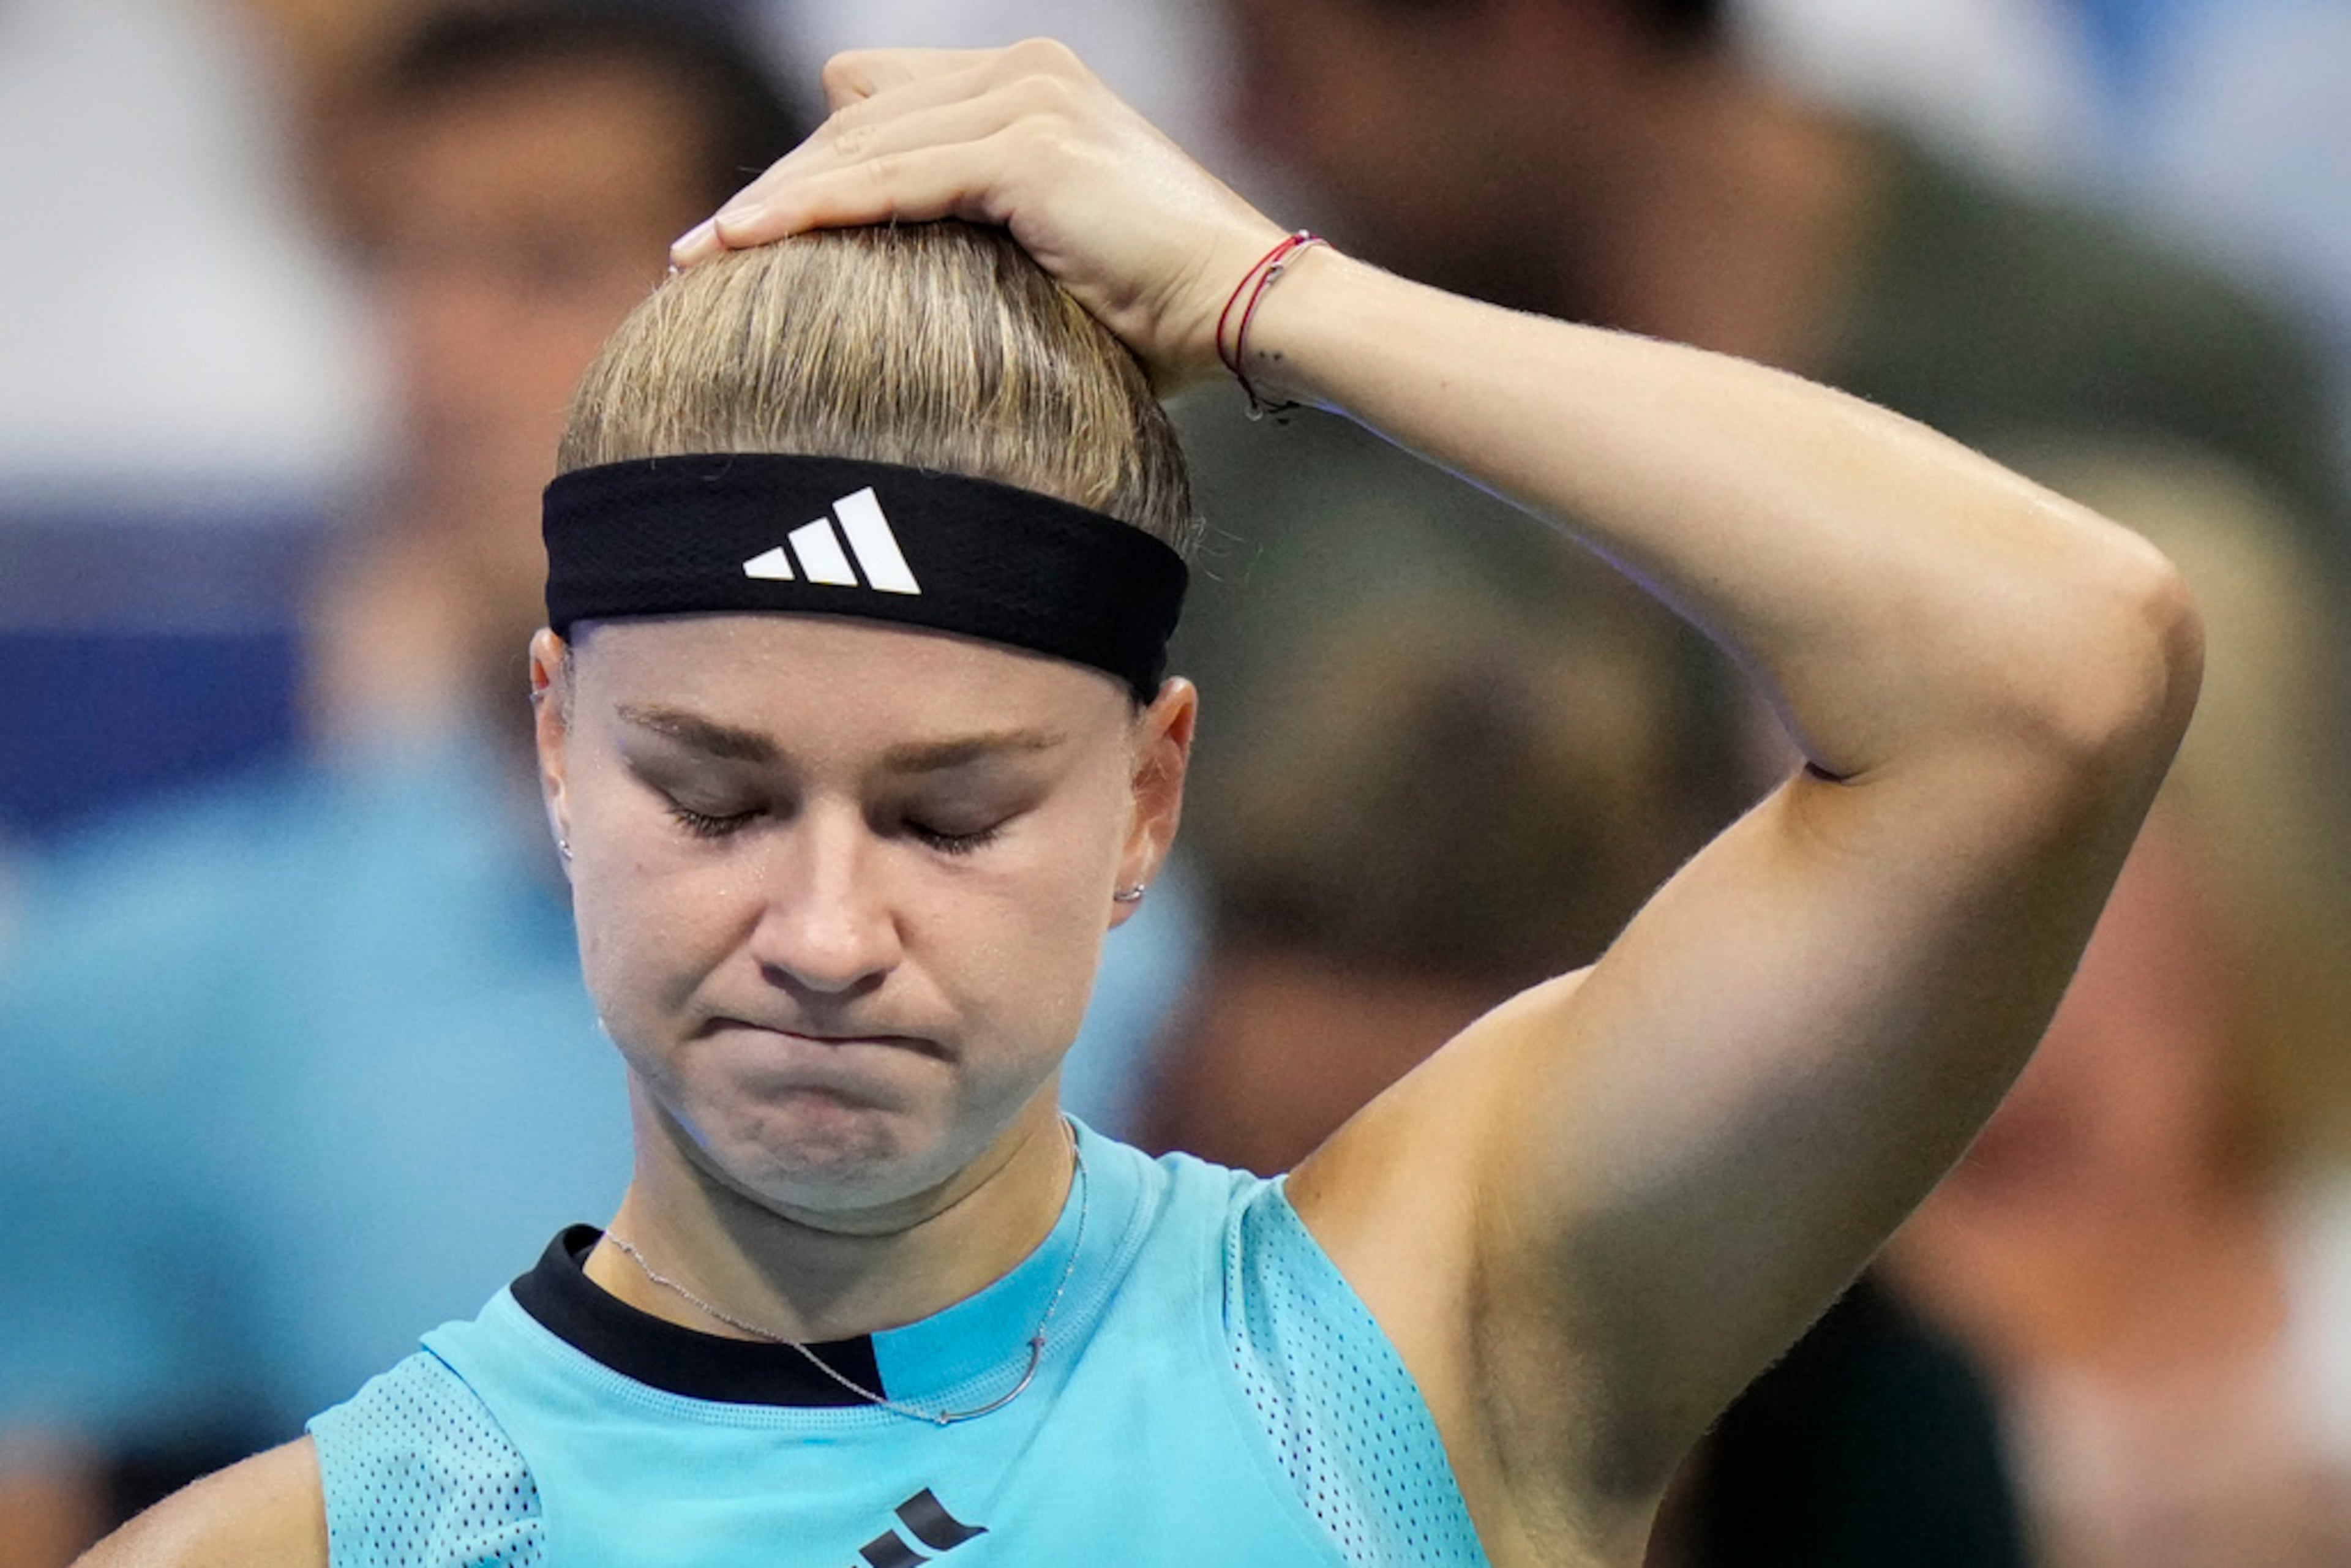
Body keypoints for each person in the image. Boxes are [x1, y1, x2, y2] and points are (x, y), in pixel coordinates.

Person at [83, 41, 2199, 1567]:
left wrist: (1278, 300)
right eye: (718, 799)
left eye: (949, 815)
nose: (824, 932)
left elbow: (2057, 668)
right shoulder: (316, 1547)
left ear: (1146, 798)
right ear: (558, 747)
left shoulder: (1425, 1333)